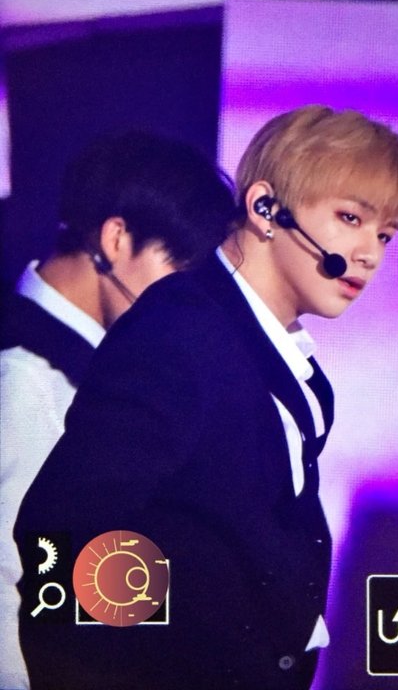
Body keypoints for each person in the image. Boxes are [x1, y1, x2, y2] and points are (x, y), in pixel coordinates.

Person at [13, 105, 398, 690]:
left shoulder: (285, 363)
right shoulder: (180, 331)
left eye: (384, 234)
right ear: (265, 209)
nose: (370, 254)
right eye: (350, 218)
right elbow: (58, 533)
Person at [0, 130, 237, 690]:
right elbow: (7, 579)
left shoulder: (84, 365)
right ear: (116, 239)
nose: (188, 304)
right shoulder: (24, 377)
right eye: (179, 271)